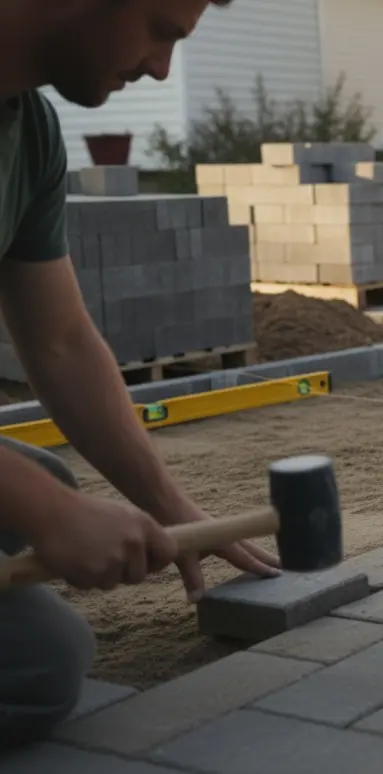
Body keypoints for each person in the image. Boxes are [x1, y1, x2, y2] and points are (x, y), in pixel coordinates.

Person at [0, 0, 280, 749]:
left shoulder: (26, 130)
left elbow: (58, 338)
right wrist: (50, 518)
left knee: (41, 486)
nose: (160, 66)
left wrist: (172, 509)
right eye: (161, 28)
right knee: (43, 665)